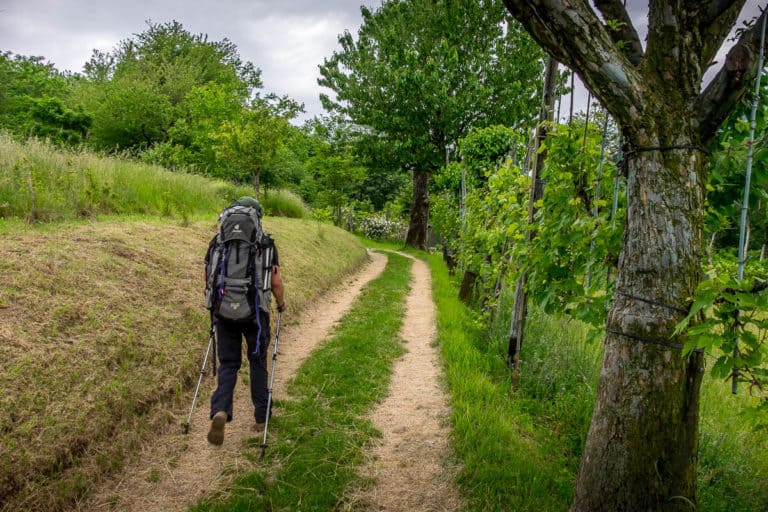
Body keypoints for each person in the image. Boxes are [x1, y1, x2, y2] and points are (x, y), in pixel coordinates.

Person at [205, 196, 286, 446]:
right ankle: (262, 417)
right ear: (257, 217)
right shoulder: (266, 243)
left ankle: (220, 410)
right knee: (257, 361)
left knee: (228, 364)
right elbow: (275, 281)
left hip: (224, 310)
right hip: (256, 314)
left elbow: (208, 274)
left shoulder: (217, 242)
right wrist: (281, 303)